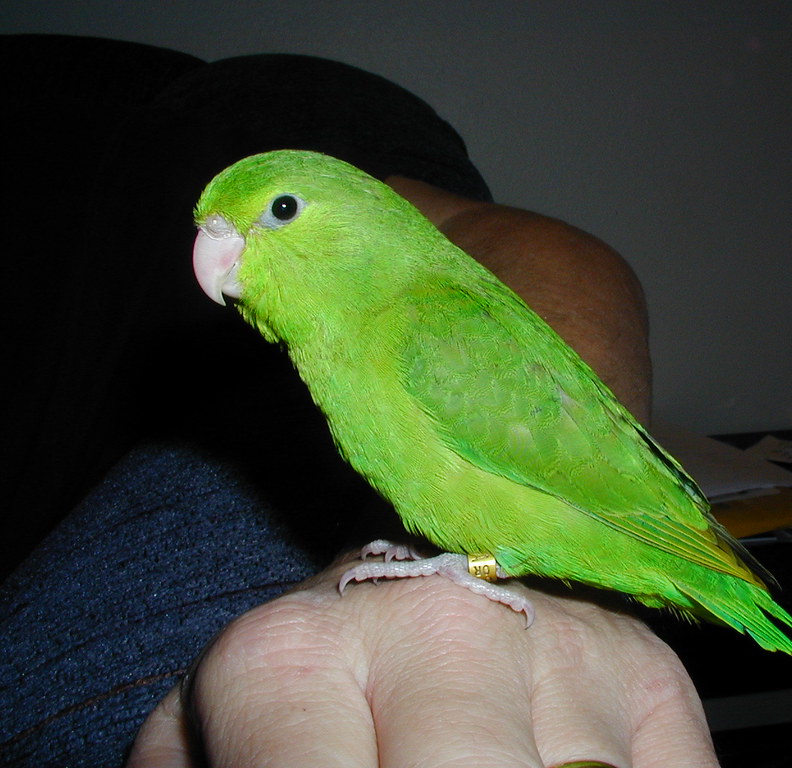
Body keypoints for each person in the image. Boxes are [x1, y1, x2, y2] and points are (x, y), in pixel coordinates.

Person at [0, 35, 720, 767]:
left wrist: (465, 584)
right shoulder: (332, 345)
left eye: (279, 210)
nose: (222, 247)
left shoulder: (418, 311)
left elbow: (559, 279)